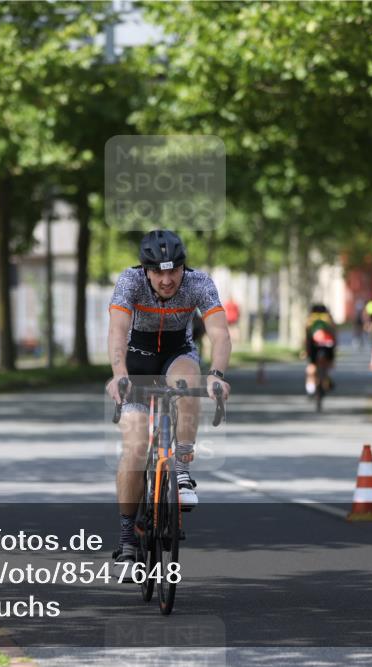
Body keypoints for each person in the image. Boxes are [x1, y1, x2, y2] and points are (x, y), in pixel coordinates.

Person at [105, 230, 232, 563]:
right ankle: (127, 540)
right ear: (146, 270)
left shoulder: (199, 283)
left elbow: (220, 334)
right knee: (134, 448)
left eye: (173, 270)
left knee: (189, 380)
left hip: (178, 355)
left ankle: (183, 466)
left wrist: (217, 376)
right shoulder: (129, 282)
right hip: (136, 360)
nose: (166, 279)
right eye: (158, 272)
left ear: (183, 267)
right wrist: (119, 375)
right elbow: (118, 332)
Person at [304, 303, 338, 395]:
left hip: (313, 345)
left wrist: (305, 351)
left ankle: (310, 388)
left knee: (311, 365)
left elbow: (307, 336)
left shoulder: (310, 319)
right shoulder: (328, 318)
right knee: (327, 365)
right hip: (328, 346)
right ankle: (326, 380)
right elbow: (334, 335)